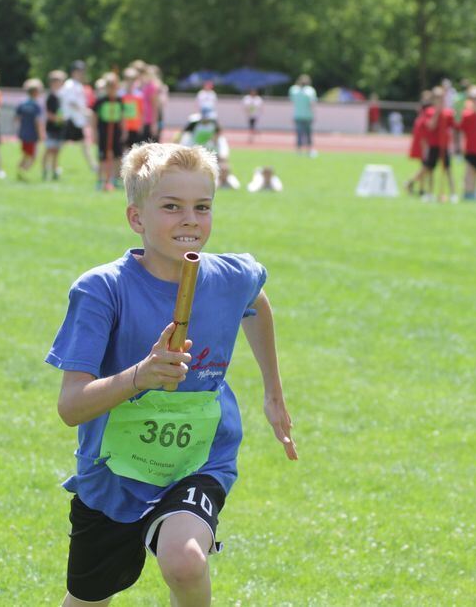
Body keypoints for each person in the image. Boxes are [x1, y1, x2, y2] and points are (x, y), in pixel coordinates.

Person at [46, 141, 297, 606]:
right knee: (86, 598)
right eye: (171, 207)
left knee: (184, 562)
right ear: (137, 218)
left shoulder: (230, 276)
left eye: (202, 207)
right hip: (113, 471)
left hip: (200, 459)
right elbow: (70, 407)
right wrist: (140, 375)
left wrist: (273, 393)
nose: (190, 219)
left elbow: (255, 303)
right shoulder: (102, 290)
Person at [178, 111, 237, 189]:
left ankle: (223, 180)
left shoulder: (220, 141)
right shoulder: (188, 138)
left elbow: (223, 158)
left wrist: (222, 167)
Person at [61, 60, 97, 172]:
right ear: (74, 72)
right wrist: (84, 111)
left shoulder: (78, 85)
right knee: (58, 145)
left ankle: (93, 165)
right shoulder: (70, 84)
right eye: (79, 71)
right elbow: (71, 102)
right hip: (71, 119)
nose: (82, 74)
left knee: (84, 144)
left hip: (77, 120)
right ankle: (52, 165)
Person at [423, 86, 458, 203]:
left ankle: (453, 193)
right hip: (434, 144)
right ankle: (429, 193)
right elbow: (430, 126)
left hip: (444, 145)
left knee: (448, 170)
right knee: (430, 169)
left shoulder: (448, 113)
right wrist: (437, 113)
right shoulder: (429, 112)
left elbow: (454, 127)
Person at [92, 72, 125, 191]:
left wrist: (124, 130)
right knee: (103, 156)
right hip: (103, 132)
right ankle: (100, 179)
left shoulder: (119, 100)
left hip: (116, 132)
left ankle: (115, 179)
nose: (112, 89)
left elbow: (122, 116)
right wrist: (94, 133)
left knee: (117, 155)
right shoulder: (101, 101)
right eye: (110, 86)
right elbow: (94, 117)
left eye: (114, 86)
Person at [15, 78, 45, 182]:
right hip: (32, 134)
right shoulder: (36, 105)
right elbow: (38, 121)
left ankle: (20, 171)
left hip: (23, 133)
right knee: (33, 156)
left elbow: (17, 119)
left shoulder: (22, 103)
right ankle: (22, 171)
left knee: (26, 154)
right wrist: (41, 134)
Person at [43, 70, 67, 181]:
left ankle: (54, 170)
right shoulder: (51, 97)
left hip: (60, 127)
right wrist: (58, 118)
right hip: (52, 128)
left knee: (57, 151)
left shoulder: (62, 96)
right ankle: (44, 170)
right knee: (49, 150)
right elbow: (48, 114)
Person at [289, 74, 317, 157]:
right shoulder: (310, 91)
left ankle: (299, 151)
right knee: (308, 134)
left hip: (298, 115)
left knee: (299, 134)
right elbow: (312, 104)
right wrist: (314, 114)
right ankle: (309, 150)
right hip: (307, 115)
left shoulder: (294, 90)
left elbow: (292, 100)